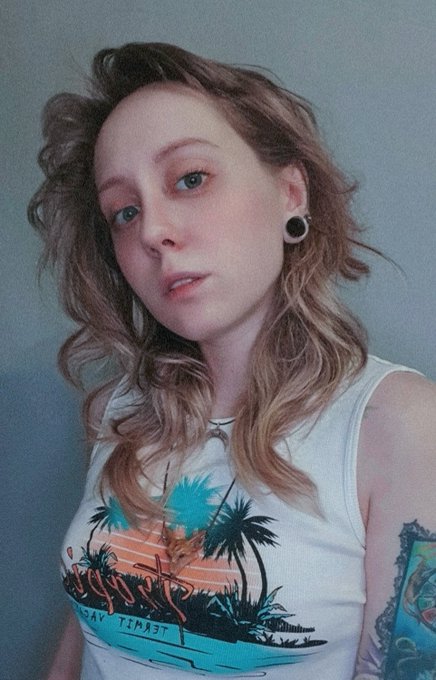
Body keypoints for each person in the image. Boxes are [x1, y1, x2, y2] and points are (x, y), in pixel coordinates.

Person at [29, 43, 436, 680]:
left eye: (190, 179)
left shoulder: (398, 424)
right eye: (124, 212)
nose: (152, 231)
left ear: (291, 192)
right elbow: (89, 628)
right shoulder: (122, 410)